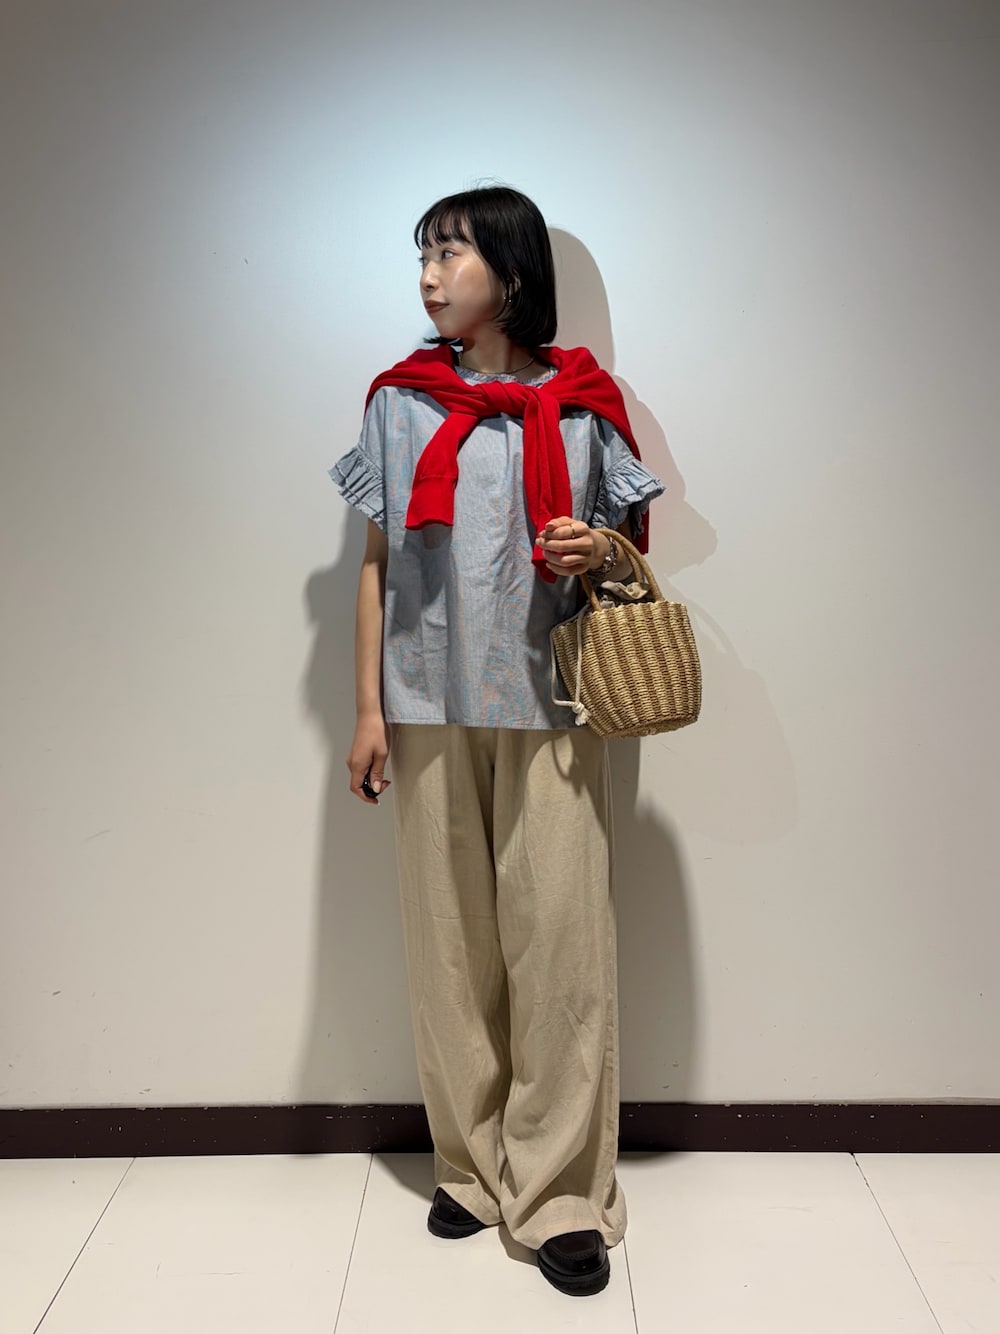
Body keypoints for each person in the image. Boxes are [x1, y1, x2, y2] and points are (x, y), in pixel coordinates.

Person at [328, 185, 664, 1297]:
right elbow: (376, 564)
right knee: (450, 948)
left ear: (511, 275)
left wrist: (595, 547)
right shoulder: (398, 402)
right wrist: (368, 710)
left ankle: (560, 1191)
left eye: (452, 254)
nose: (429, 276)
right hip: (425, 702)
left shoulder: (584, 408)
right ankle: (471, 1169)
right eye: (423, 255)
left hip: (553, 704)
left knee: (560, 948)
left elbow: (629, 551)